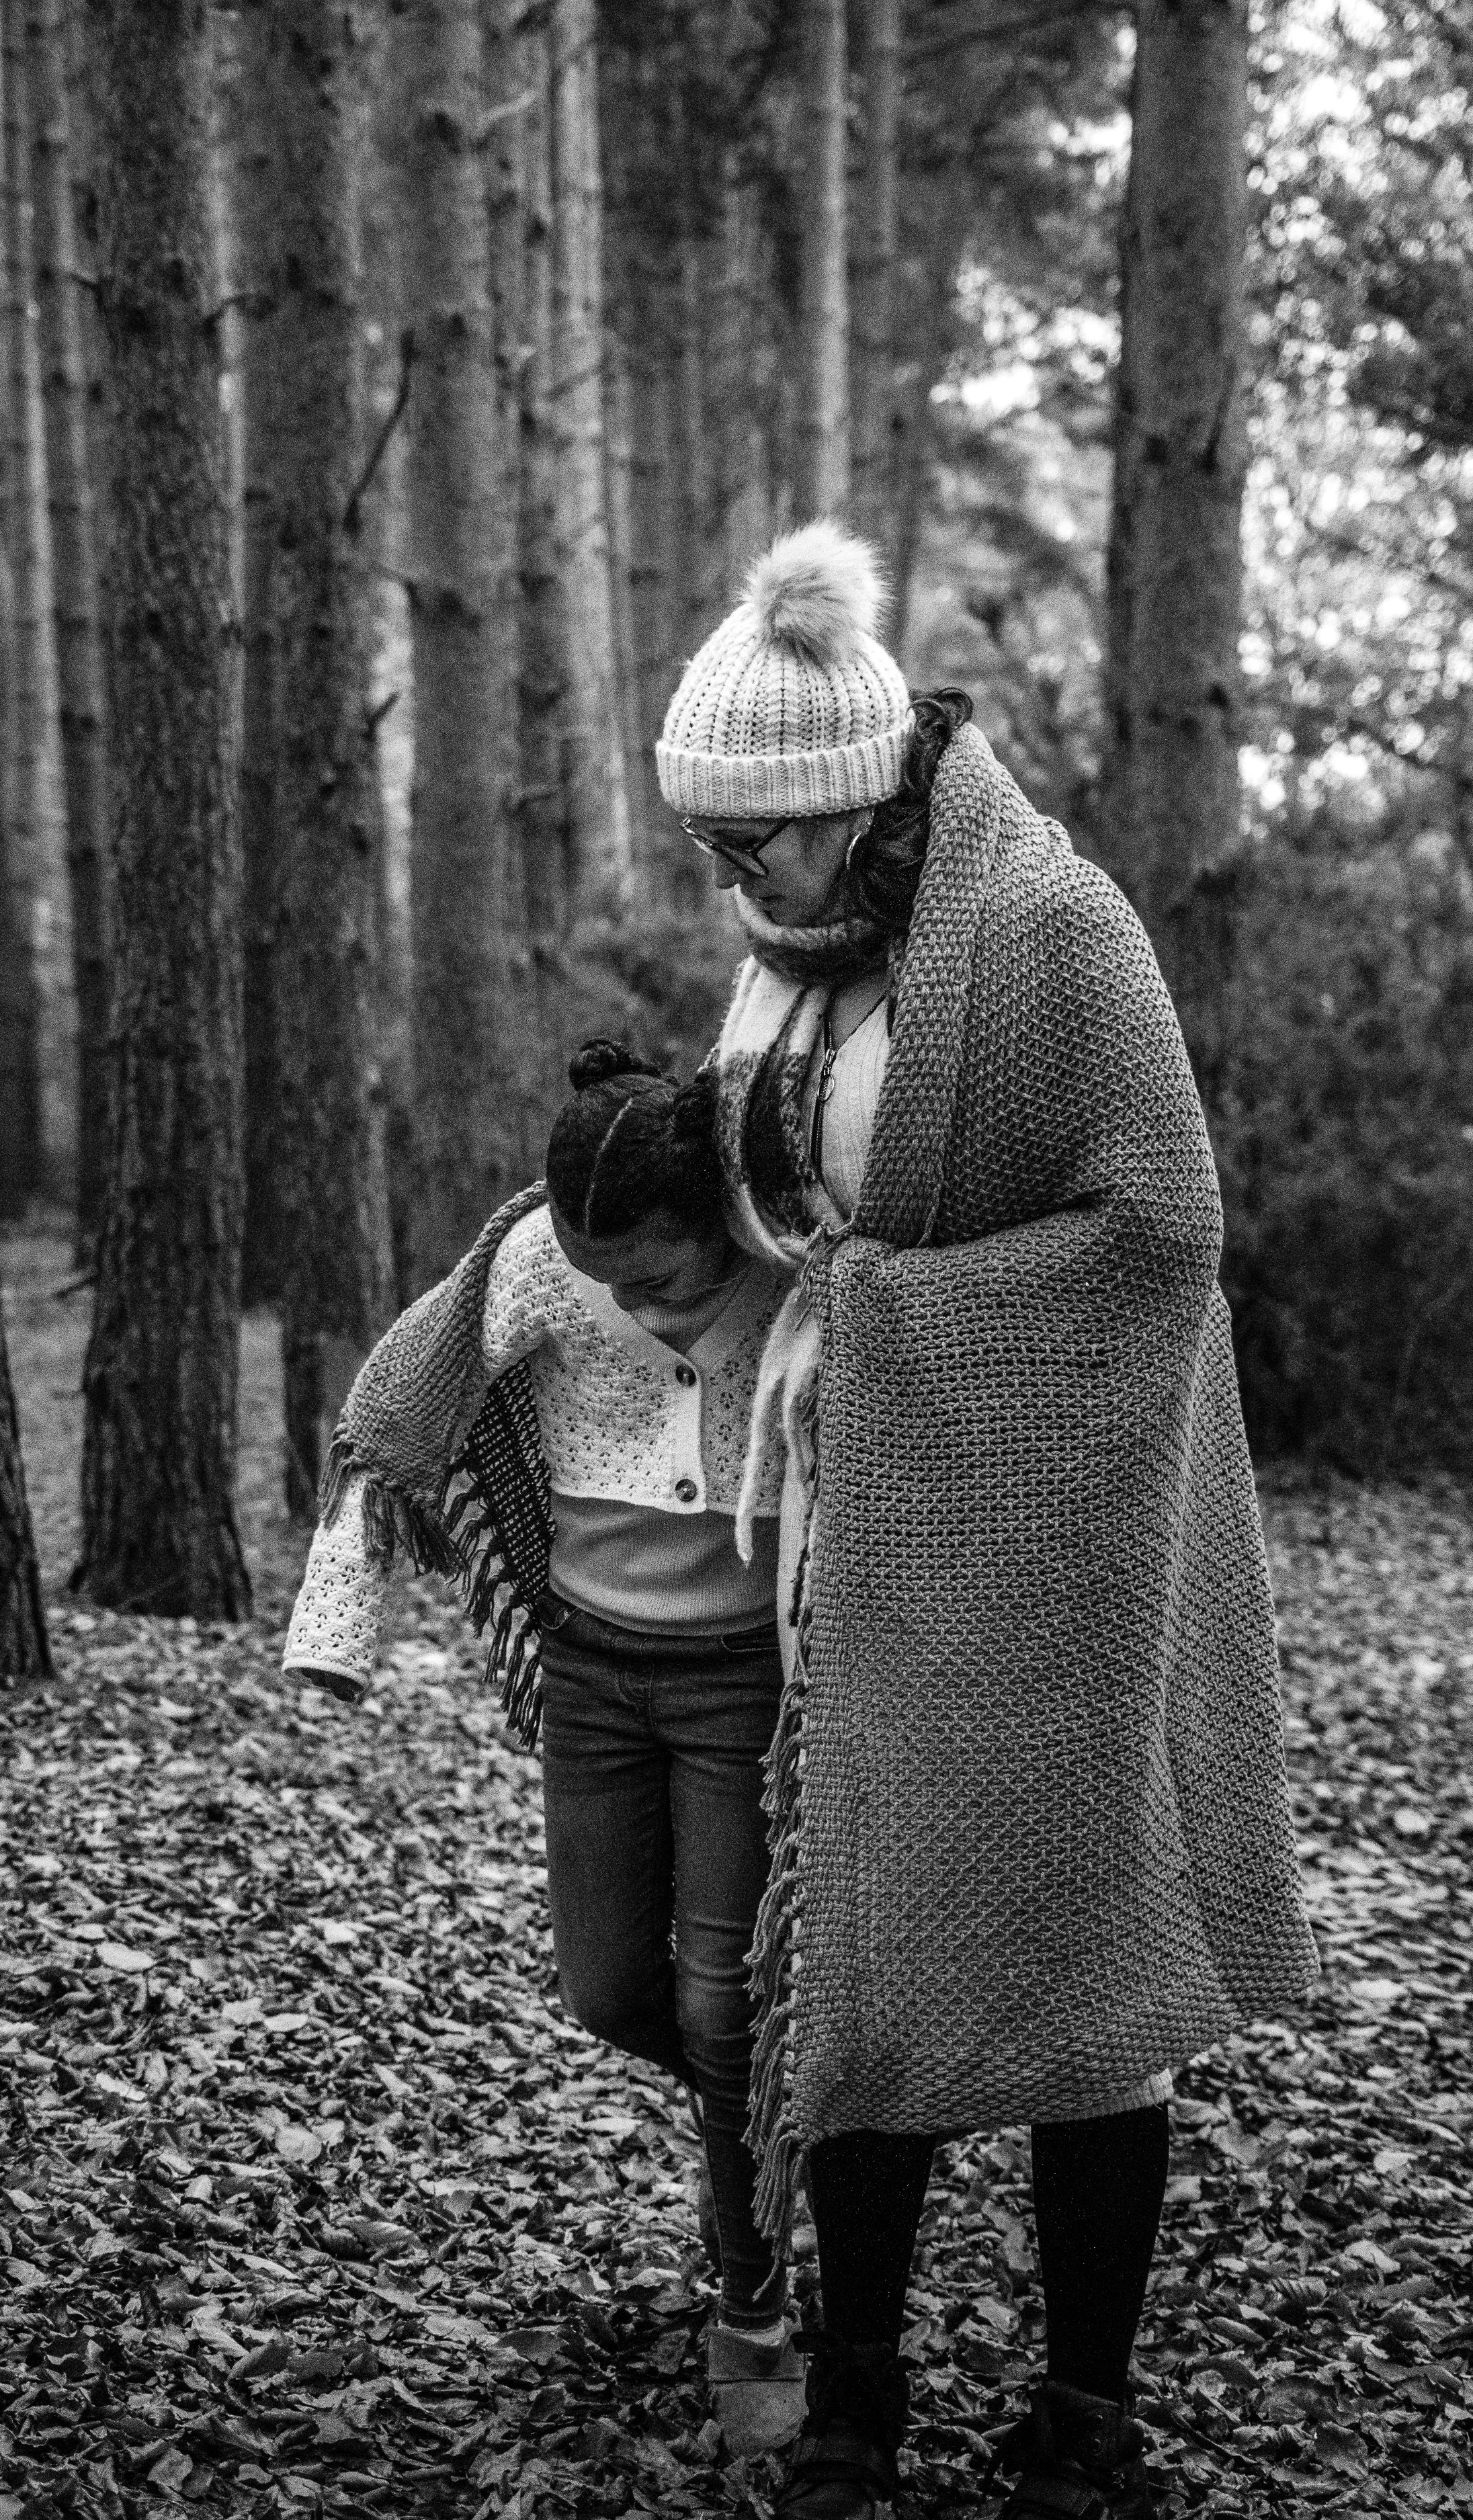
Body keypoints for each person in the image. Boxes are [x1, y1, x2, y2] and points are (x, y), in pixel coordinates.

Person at [653, 521, 1318, 2520]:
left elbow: (1165, 1228)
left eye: (746, 843)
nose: (727, 881)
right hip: (841, 1526)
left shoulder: (1051, 931)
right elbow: (762, 1181)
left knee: (1072, 1957)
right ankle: (856, 2390)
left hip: (1045, 1512)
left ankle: (1086, 2412)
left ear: (850, 804)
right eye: (706, 847)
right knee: (863, 1935)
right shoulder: (795, 944)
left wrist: (880, 1316)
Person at [282, 1044, 808, 2458]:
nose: (627, 1303)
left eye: (657, 1276)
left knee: (720, 2002)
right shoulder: (532, 1265)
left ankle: (752, 2300)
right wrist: (340, 1625)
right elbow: (404, 1404)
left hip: (739, 1684)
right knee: (604, 1987)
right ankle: (765, 2127)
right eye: (604, 1279)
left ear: (722, 1220)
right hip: (587, 1675)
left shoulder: (788, 1271)